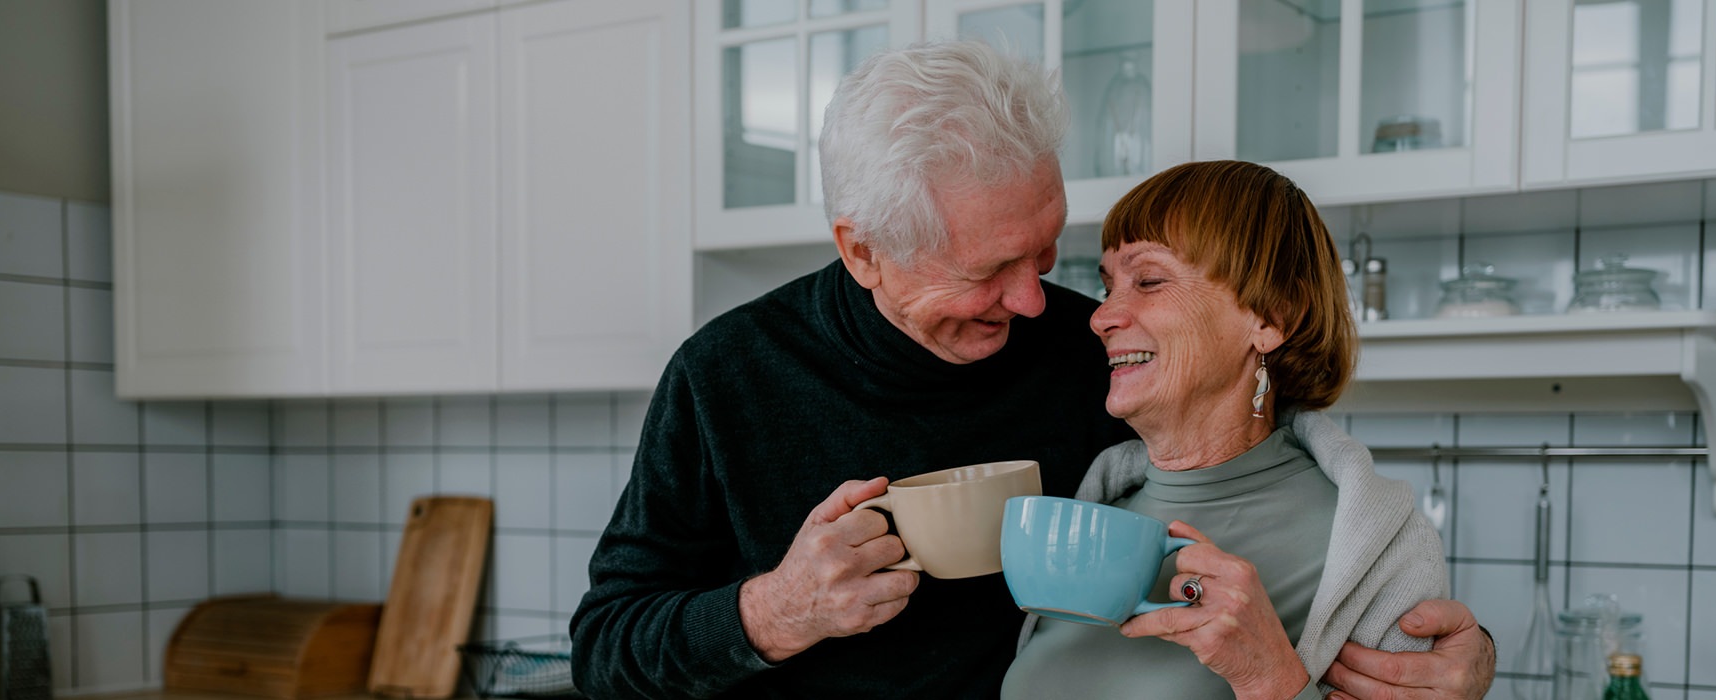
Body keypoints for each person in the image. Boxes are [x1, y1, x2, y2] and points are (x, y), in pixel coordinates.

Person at [569, 40, 1495, 699]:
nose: (1040, 306)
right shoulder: (727, 374)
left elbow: (1262, 463)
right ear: (864, 252)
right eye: (986, 272)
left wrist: (1462, 656)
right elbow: (605, 646)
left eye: (1048, 257)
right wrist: (775, 611)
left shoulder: (1096, 359)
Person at [1004, 160, 1449, 700]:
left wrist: (1271, 680)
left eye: (1148, 280)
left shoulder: (1374, 549)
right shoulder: (1091, 510)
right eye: (1108, 287)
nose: (1101, 318)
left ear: (1269, 318)